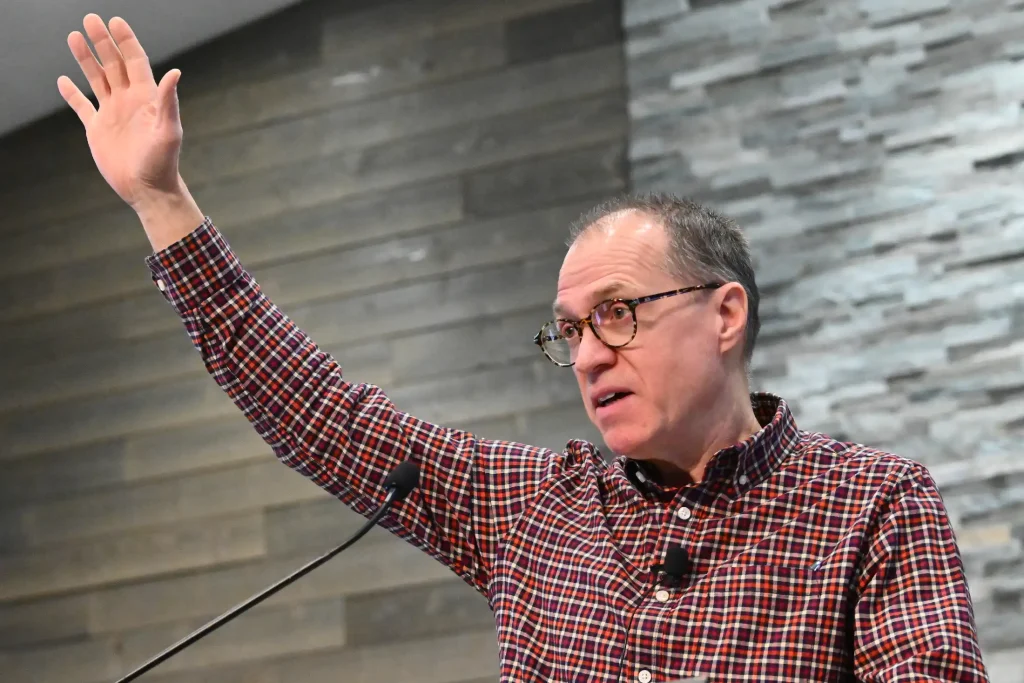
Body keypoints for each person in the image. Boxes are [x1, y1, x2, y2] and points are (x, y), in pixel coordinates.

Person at [57, 13, 990, 682]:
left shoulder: (871, 502)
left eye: (617, 314)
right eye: (571, 332)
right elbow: (316, 410)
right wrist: (162, 203)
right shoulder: (532, 507)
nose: (587, 356)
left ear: (725, 314)